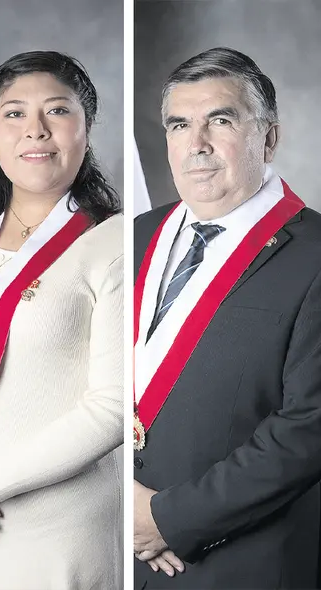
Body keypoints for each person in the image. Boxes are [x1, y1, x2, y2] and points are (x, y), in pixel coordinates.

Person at [0, 51, 123, 589]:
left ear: (86, 128)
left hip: (59, 525)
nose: (34, 130)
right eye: (13, 113)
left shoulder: (116, 241)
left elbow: (113, 407)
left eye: (57, 112)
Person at [133, 47, 321, 589]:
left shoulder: (315, 253)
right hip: (116, 549)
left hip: (239, 564)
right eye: (179, 124)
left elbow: (308, 427)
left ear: (270, 136)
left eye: (220, 120)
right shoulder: (138, 234)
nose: (196, 144)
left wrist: (171, 518)